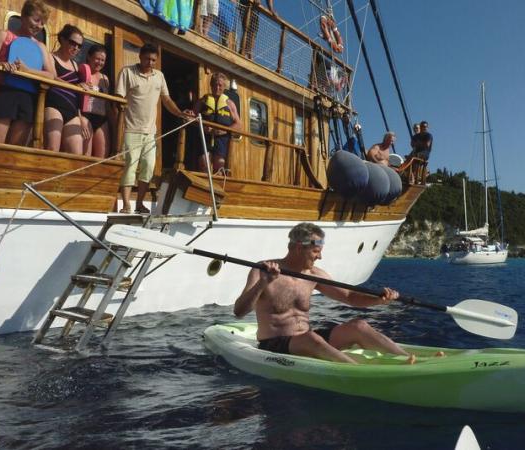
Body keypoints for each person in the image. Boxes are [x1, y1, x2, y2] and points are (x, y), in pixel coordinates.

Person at [234, 222, 421, 364]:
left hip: (307, 338)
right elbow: (239, 311)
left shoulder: (315, 275)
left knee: (359, 326)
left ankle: (411, 360)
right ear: (299, 248)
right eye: (316, 251)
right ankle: (359, 372)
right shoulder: (263, 270)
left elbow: (349, 297)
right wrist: (262, 284)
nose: (320, 257)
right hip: (275, 344)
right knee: (311, 338)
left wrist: (379, 300)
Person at [116, 43, 191, 214]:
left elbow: (166, 100)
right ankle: (126, 204)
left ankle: (140, 203)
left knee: (148, 168)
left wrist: (180, 113)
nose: (150, 62)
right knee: (129, 167)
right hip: (130, 129)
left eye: (154, 60)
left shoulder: (159, 76)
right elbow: (117, 100)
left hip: (150, 132)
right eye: (147, 59)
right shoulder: (127, 72)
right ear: (140, 57)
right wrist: (117, 127)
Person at [0, 0, 55, 146]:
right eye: (36, 20)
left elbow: (51, 75)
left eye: (42, 22)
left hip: (28, 98)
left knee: (15, 151)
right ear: (24, 16)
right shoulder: (3, 35)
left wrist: (27, 71)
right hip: (3, 93)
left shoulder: (41, 47)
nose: (39, 26)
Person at [44, 24, 88, 154]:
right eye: (73, 43)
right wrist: (75, 86)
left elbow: (77, 94)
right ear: (62, 39)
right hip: (54, 107)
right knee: (52, 149)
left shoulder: (75, 65)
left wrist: (80, 117)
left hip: (72, 111)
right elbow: (52, 77)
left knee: (76, 155)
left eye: (79, 46)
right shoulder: (51, 57)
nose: (76, 48)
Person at [192, 72, 240, 173]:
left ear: (224, 87)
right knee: (204, 165)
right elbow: (192, 118)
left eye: (220, 85)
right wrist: (202, 127)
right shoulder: (202, 101)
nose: (217, 87)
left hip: (222, 140)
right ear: (211, 85)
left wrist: (224, 130)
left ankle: (217, 188)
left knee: (219, 168)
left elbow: (238, 124)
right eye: (214, 84)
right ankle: (205, 188)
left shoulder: (230, 104)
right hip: (205, 137)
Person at [81, 44, 111, 158]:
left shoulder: (105, 78)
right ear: (89, 57)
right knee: (86, 154)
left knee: (102, 154)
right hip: (85, 115)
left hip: (101, 118)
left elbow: (107, 103)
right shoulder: (82, 71)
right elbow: (76, 98)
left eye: (103, 60)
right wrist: (80, 118)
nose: (100, 62)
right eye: (97, 58)